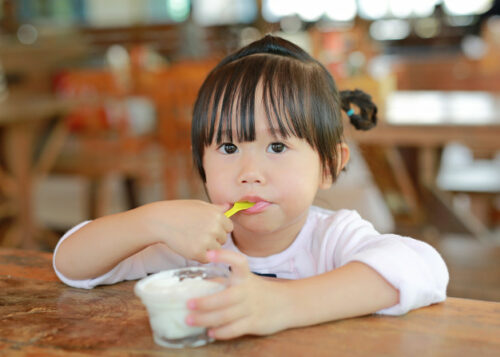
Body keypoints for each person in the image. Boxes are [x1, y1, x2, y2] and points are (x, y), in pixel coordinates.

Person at [53, 35, 448, 340]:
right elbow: (70, 264)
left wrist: (282, 305)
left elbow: (425, 268)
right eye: (228, 147)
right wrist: (150, 220)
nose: (250, 172)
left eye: (277, 147)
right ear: (202, 166)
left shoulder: (331, 240)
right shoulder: (192, 243)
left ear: (330, 165)